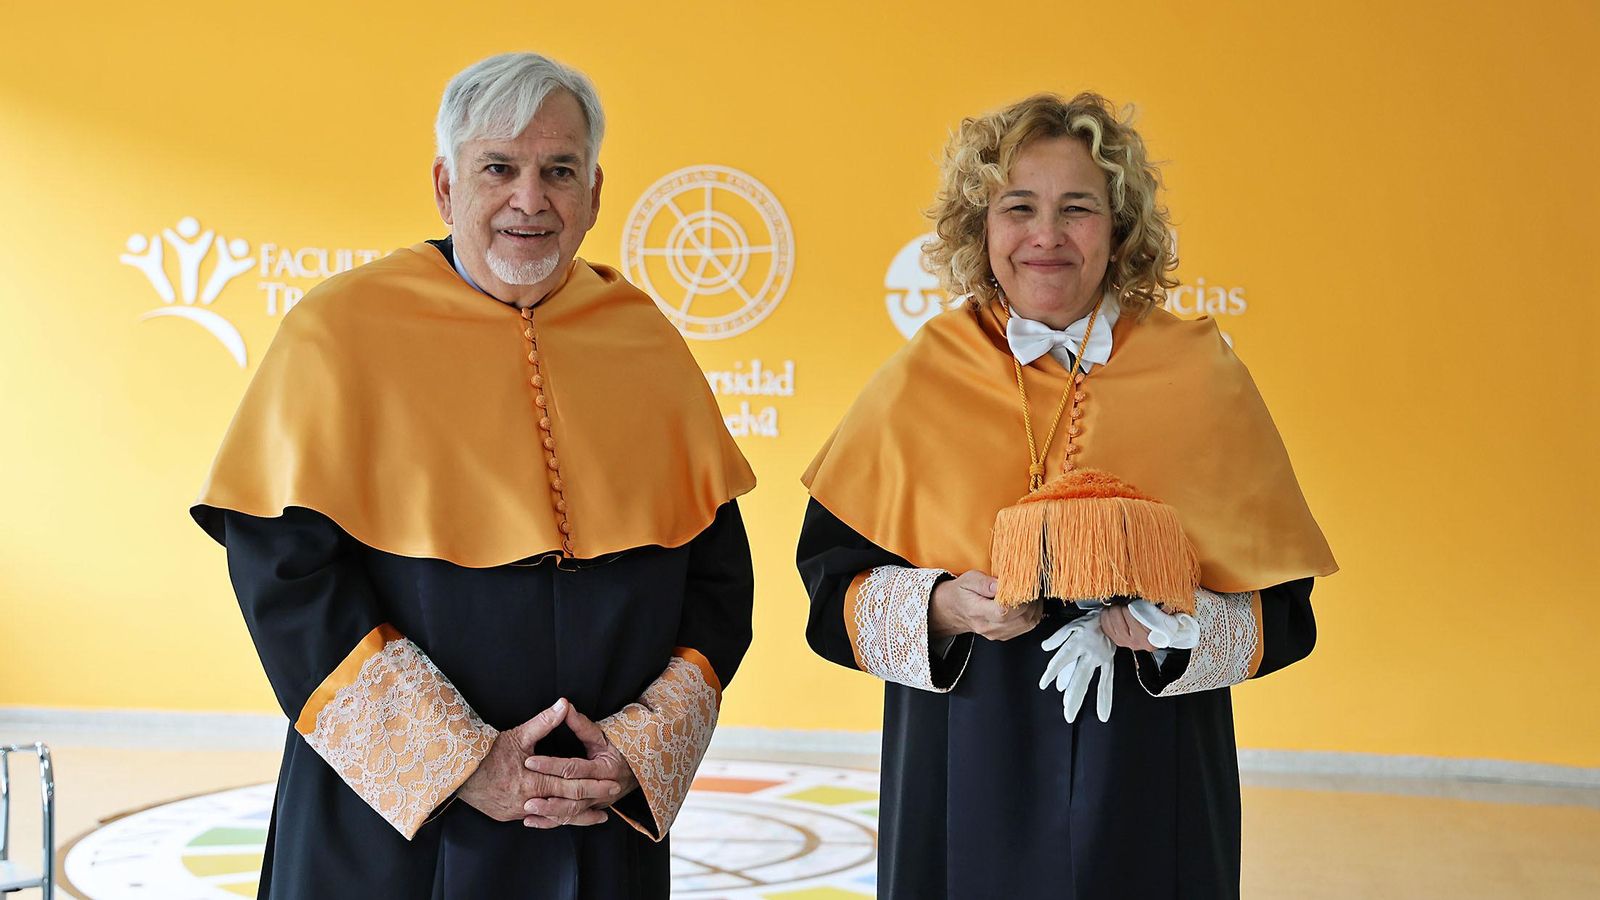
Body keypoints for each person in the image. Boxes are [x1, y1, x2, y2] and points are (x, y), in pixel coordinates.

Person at [191, 52, 756, 899]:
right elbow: (288, 580)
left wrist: (636, 751)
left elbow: (717, 581)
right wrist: (459, 762)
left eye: (558, 170)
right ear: (447, 186)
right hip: (393, 831)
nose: (531, 199)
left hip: (595, 821)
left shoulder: (646, 341)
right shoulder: (338, 333)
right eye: (499, 167)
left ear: (595, 194)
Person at [798, 92, 1336, 899]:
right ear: (981, 227)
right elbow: (832, 591)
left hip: (1152, 778)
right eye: (1019, 207)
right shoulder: (921, 375)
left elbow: (1285, 615)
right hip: (964, 761)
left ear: (1118, 230)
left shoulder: (1201, 373)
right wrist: (946, 608)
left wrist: (1173, 631)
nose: (1045, 236)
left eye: (1077, 208)